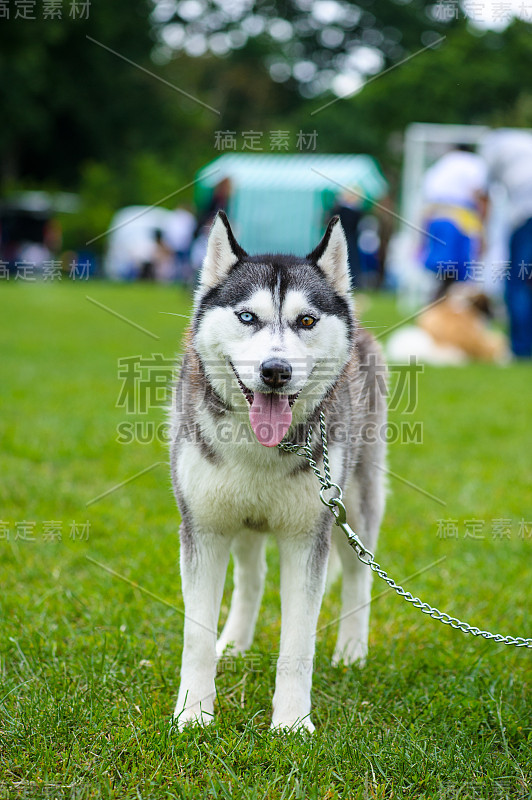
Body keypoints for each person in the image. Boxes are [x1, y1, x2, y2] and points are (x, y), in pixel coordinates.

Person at [480, 130, 532, 358]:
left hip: (526, 215)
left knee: (517, 281)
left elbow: (484, 194)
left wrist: (482, 233)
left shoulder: (490, 147)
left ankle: (521, 348)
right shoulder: (522, 141)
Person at [420, 145, 489, 297]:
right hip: (459, 220)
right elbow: (479, 195)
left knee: (442, 270)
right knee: (458, 272)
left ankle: (437, 302)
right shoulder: (473, 163)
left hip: (436, 218)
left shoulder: (440, 164)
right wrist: (483, 230)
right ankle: (447, 304)